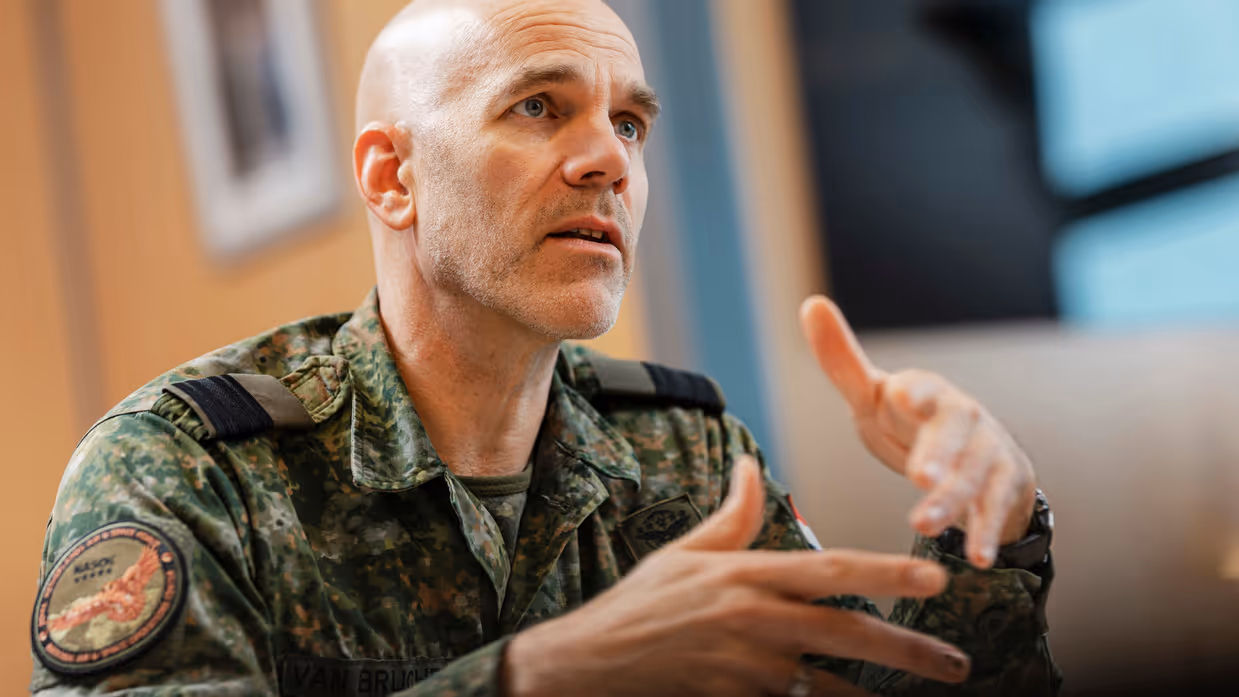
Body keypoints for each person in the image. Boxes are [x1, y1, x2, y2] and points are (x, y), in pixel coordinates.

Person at [29, 0, 1060, 694]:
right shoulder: (186, 467)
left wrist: (991, 522)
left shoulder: (688, 456)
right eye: (540, 107)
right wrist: (540, 673)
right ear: (393, 178)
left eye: (632, 124)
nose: (610, 159)